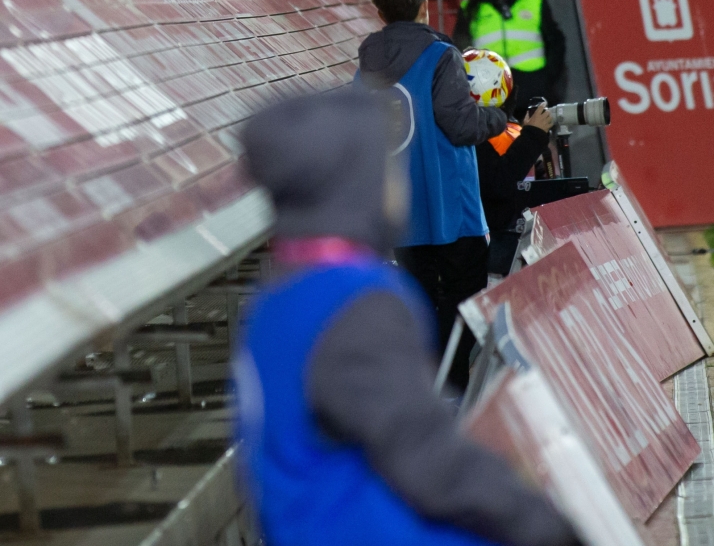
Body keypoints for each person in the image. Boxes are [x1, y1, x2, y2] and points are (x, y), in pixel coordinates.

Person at [236, 89, 582, 546]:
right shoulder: (356, 300)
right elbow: (426, 459)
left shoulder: (275, 300)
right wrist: (546, 526)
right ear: (356, 185)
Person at [358, 0, 506, 388]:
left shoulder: (367, 63)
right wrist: (498, 119)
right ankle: (456, 389)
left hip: (400, 210)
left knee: (418, 305)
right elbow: (459, 125)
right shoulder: (441, 55)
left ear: (382, 14)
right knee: (464, 303)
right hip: (450, 207)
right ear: (424, 7)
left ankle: (427, 390)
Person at [453, 0, 565, 116]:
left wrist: (547, 78)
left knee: (534, 142)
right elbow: (461, 50)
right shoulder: (470, 9)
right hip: (491, 95)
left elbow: (556, 41)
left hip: (532, 90)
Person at [476, 87, 553, 276]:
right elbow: (499, 184)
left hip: (509, 245)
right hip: (503, 248)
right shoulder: (518, 135)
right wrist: (532, 137)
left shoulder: (513, 133)